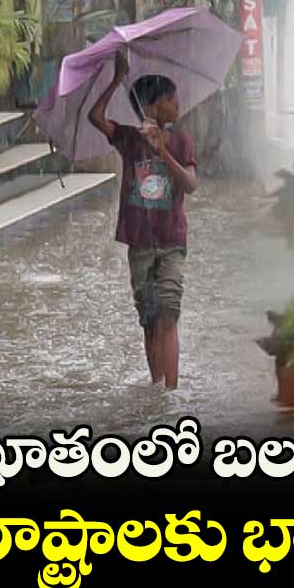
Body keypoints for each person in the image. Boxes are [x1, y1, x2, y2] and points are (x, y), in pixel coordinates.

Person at [88, 50, 198, 392]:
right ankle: (156, 388)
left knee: (169, 315)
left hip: (171, 242)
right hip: (139, 243)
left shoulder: (181, 141)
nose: (177, 104)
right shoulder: (128, 139)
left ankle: (172, 394)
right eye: (170, 98)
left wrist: (162, 150)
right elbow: (95, 115)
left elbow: (191, 185)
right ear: (152, 105)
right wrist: (116, 78)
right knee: (150, 322)